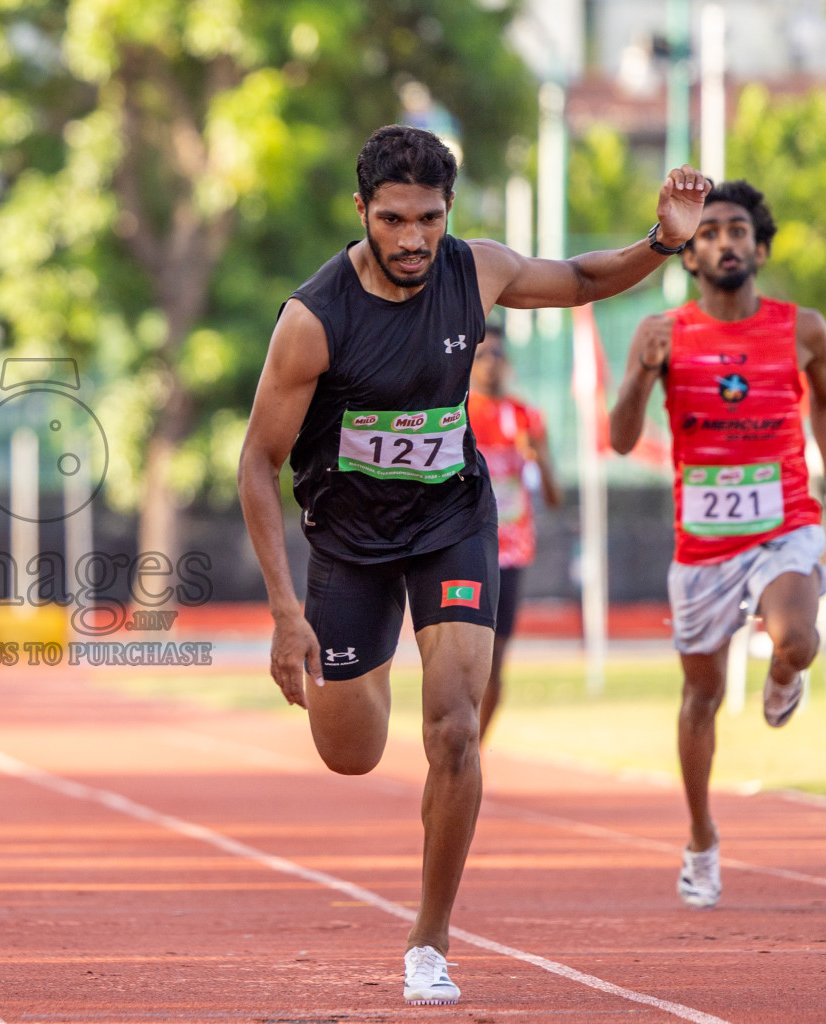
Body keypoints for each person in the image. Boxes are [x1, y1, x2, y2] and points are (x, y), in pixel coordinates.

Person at [237, 124, 707, 1006]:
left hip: (452, 519)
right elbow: (255, 465)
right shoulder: (313, 320)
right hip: (349, 542)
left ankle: (430, 940)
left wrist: (661, 244)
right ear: (362, 213)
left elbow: (579, 280)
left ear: (449, 213)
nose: (414, 239)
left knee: (454, 727)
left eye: (430, 218)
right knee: (351, 751)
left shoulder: (475, 268)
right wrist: (284, 612)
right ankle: (359, 667)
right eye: (394, 220)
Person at [609, 179, 826, 910]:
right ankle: (701, 837)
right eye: (709, 233)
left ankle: (784, 672)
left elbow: (823, 403)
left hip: (785, 520)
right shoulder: (661, 332)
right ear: (690, 255)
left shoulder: (804, 329)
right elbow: (620, 438)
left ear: (759, 249)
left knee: (799, 635)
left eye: (738, 231)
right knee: (700, 693)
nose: (725, 241)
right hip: (702, 540)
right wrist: (641, 370)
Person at [467, 326, 561, 737]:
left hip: (510, 550)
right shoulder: (457, 412)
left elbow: (555, 496)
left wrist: (538, 456)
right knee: (461, 654)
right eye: (481, 356)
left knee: (496, 656)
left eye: (498, 355)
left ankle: (475, 749)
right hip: (462, 545)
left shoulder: (526, 417)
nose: (491, 364)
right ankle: (453, 737)